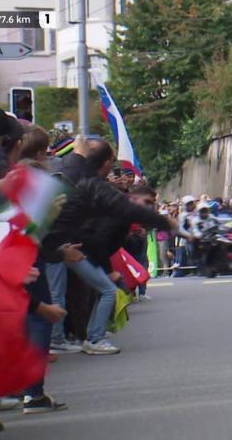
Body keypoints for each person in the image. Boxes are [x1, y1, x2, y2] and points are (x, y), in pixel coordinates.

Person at [42, 140, 175, 355]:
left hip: (69, 246)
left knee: (96, 290)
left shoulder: (88, 184)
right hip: (75, 248)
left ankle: (86, 334)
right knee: (104, 290)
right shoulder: (98, 192)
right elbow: (99, 240)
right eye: (147, 203)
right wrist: (106, 267)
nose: (149, 207)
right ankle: (90, 337)